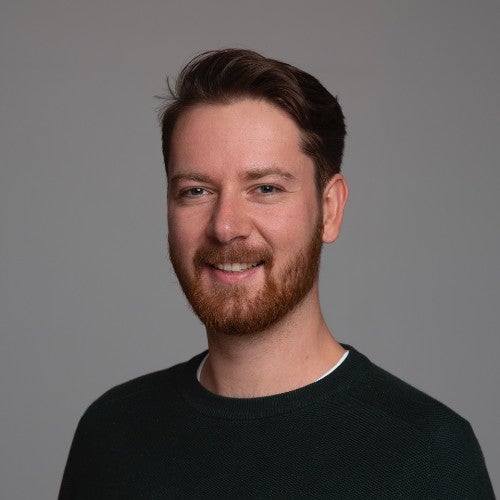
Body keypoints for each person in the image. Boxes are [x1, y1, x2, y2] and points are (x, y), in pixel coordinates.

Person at [59, 49, 494, 498]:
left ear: (329, 209)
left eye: (265, 188)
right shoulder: (112, 433)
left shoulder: (427, 456)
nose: (225, 226)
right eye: (196, 191)